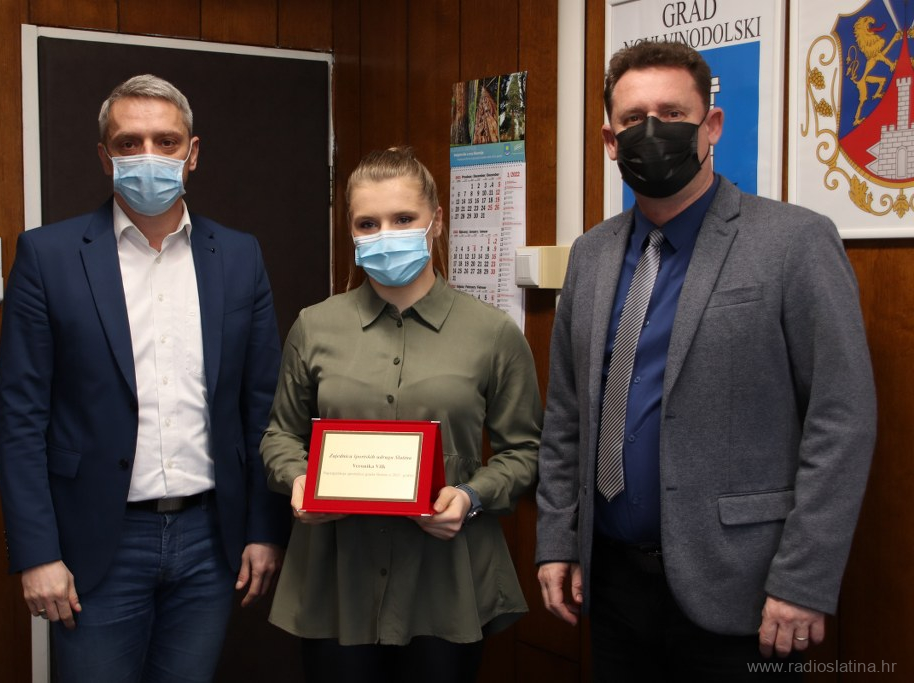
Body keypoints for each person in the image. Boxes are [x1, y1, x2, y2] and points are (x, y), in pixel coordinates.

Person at [535, 41, 877, 680]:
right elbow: (566, 415)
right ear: (610, 140)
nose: (652, 132)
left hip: (745, 591)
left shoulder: (794, 242)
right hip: (611, 586)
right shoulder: (591, 255)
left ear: (711, 125)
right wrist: (558, 539)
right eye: (633, 120)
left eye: (672, 114)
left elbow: (842, 421)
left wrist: (804, 579)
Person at [0, 74, 290, 682]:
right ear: (105, 156)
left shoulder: (239, 256)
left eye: (166, 141)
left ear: (192, 152)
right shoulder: (49, 257)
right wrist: (37, 552)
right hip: (96, 540)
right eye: (129, 143)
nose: (148, 156)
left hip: (211, 538)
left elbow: (262, 408)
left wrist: (265, 528)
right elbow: (19, 418)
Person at [260, 147, 541, 683]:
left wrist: (472, 496)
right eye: (368, 223)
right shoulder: (314, 327)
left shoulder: (492, 333)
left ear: (436, 221)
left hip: (445, 582)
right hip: (337, 582)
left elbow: (524, 450)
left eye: (404, 218)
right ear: (351, 231)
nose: (385, 234)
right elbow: (280, 435)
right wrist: (298, 480)